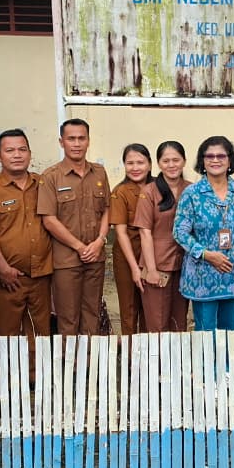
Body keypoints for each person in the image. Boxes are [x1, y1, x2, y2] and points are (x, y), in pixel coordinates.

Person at [0, 129, 53, 350]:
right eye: (10, 150)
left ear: (30, 153)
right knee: (8, 336)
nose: (17, 155)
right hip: (6, 279)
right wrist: (3, 268)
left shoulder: (43, 184)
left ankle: (39, 378)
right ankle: (11, 381)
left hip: (41, 276)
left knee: (40, 332)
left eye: (22, 149)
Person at [173, 136, 234, 332]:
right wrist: (207, 254)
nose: (215, 160)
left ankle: (228, 364)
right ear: (202, 161)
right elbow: (180, 232)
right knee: (206, 331)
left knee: (229, 330)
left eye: (220, 156)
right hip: (203, 274)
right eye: (209, 156)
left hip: (232, 274)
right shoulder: (192, 193)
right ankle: (206, 364)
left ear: (229, 161)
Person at [38, 119, 109, 336]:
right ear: (62, 142)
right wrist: (79, 247)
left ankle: (91, 365)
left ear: (88, 141)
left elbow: (106, 209)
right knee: (68, 317)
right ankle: (70, 366)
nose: (76, 144)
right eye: (71, 139)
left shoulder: (99, 172)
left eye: (81, 138)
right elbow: (49, 219)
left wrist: (100, 241)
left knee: (92, 313)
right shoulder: (51, 177)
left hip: (95, 257)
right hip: (66, 260)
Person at [135, 140, 191, 333]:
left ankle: (178, 363)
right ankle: (157, 364)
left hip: (185, 264)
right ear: (158, 163)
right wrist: (151, 269)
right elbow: (145, 232)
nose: (171, 165)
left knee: (179, 322)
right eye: (166, 160)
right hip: (158, 265)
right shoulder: (149, 192)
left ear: (184, 161)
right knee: (157, 323)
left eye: (176, 160)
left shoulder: (192, 190)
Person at [110, 143, 152, 335]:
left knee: (150, 307)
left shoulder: (159, 187)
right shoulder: (120, 192)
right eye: (130, 163)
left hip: (153, 254)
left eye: (140, 162)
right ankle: (130, 355)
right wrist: (135, 268)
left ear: (150, 165)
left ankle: (150, 354)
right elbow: (120, 233)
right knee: (129, 308)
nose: (135, 168)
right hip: (128, 256)